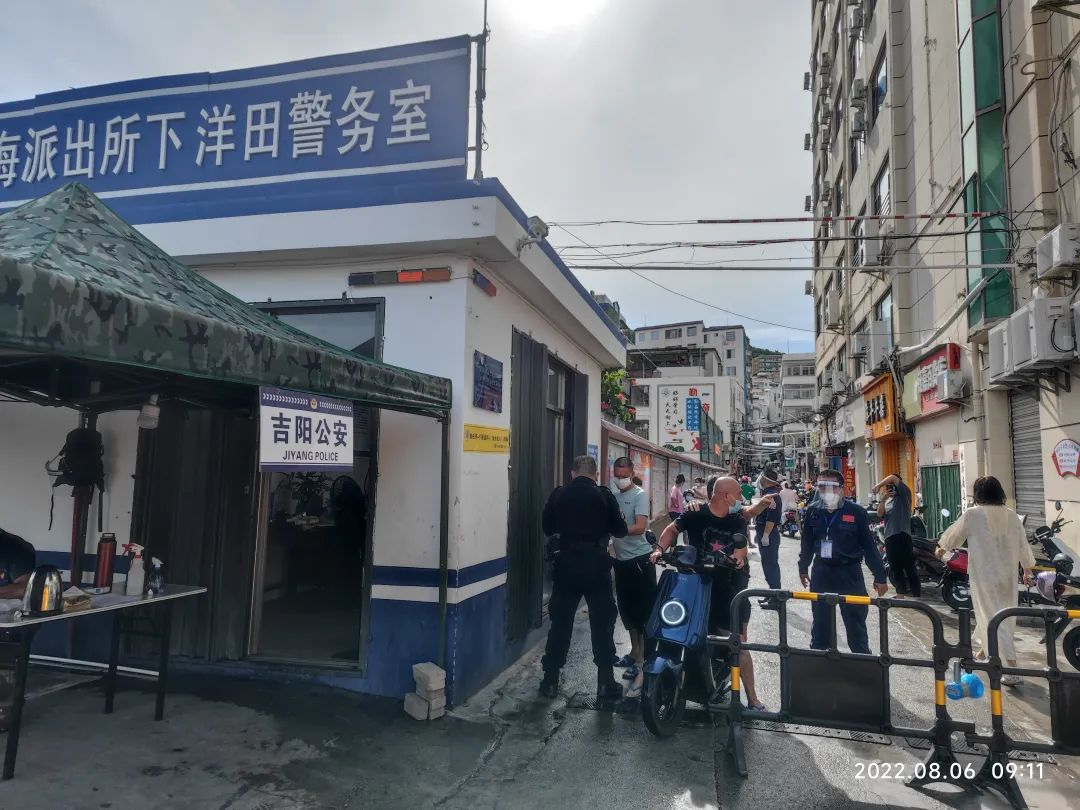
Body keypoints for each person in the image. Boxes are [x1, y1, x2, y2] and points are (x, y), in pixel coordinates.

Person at [651, 477, 777, 711]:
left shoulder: (736, 520)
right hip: (692, 585)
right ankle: (649, 679)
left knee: (738, 643)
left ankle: (752, 697)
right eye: (737, 495)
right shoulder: (695, 513)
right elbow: (672, 529)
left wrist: (737, 559)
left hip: (724, 588)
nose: (740, 499)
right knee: (667, 628)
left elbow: (741, 549)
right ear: (725, 496)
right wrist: (659, 550)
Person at [539, 455, 627, 699]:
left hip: (566, 565)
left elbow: (547, 527)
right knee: (602, 623)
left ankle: (550, 681)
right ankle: (605, 682)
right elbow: (620, 530)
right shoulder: (604, 495)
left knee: (560, 623)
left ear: (572, 473)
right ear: (595, 474)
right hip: (596, 566)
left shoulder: (559, 494)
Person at [935, 476, 1036, 685]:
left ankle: (1011, 668)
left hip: (984, 576)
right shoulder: (1012, 516)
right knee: (1000, 616)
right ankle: (982, 654)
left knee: (992, 616)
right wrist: (1027, 571)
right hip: (1007, 577)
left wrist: (941, 549)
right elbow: (1023, 546)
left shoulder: (973, 514)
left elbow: (953, 537)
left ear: (979, 493)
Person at [799, 470, 888, 653]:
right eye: (821, 487)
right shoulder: (813, 511)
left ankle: (860, 661)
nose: (826, 491)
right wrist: (803, 567)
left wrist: (880, 576)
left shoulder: (856, 512)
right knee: (821, 624)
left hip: (849, 573)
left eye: (830, 486)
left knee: (856, 624)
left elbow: (869, 546)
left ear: (841, 489)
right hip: (822, 572)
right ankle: (819, 660)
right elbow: (806, 543)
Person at [608, 457, 657, 699]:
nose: (620, 479)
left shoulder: (639, 495)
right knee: (627, 611)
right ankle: (634, 652)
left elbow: (639, 526)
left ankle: (642, 661)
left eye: (624, 475)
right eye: (617, 475)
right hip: (621, 562)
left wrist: (615, 530)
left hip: (640, 562)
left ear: (631, 473)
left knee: (643, 613)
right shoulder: (613, 496)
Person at [874, 473, 920, 598]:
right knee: (895, 566)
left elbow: (893, 478)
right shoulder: (888, 500)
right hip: (890, 536)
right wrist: (883, 499)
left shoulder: (904, 495)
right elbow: (879, 514)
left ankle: (916, 593)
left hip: (903, 534)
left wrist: (878, 486)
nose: (891, 487)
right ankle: (900, 593)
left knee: (909, 566)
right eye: (889, 485)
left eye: (893, 485)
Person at [754, 466, 783, 589]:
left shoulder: (772, 495)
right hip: (765, 531)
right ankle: (772, 591)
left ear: (765, 479)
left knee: (770, 564)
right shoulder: (768, 493)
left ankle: (775, 594)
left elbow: (771, 518)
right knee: (767, 563)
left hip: (769, 534)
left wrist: (765, 535)